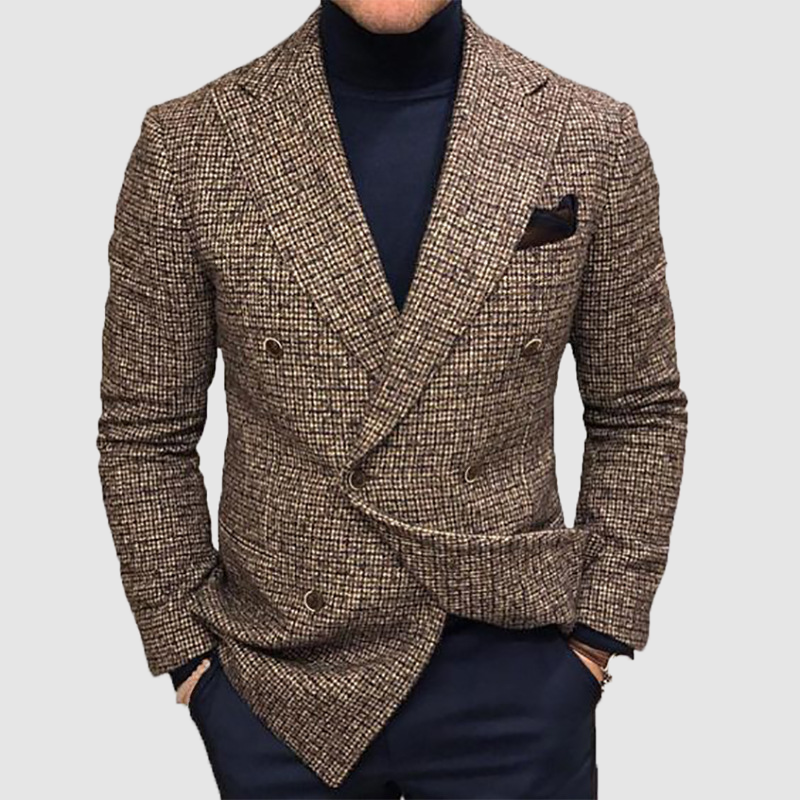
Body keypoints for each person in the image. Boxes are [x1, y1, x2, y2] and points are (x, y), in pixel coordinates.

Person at [96, 1, 688, 797]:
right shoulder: (190, 143)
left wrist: (599, 632)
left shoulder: (591, 135)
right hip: (278, 685)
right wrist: (190, 658)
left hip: (516, 672)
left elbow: (639, 408)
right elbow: (145, 431)